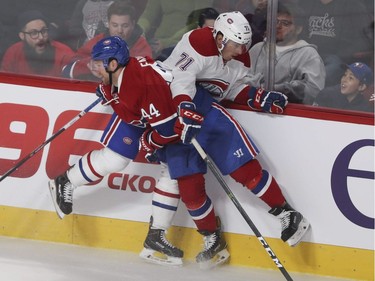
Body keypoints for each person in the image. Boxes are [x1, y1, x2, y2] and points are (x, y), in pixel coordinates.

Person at [89, 15, 309, 268]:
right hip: (173, 115)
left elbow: (226, 89)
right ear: (219, 38)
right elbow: (180, 78)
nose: (240, 50)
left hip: (204, 113)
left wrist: (255, 97)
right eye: (236, 44)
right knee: (189, 187)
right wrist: (181, 109)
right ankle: (212, 238)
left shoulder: (239, 57)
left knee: (243, 169)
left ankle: (287, 214)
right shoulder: (198, 42)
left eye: (243, 45)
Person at [247, 2, 326, 104]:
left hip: (291, 115)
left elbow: (313, 91)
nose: (278, 26)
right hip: (253, 109)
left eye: (285, 23)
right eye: (275, 21)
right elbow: (242, 80)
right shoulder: (257, 49)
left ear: (298, 29)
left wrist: (281, 90)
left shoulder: (308, 54)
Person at [62, 1, 152, 81]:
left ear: (132, 24)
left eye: (125, 26)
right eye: (115, 25)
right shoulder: (99, 40)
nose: (119, 31)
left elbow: (144, 78)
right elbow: (67, 69)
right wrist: (92, 64)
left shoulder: (141, 45)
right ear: (108, 24)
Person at [300, 0, 373, 87]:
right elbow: (299, 33)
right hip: (310, 56)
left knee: (322, 75)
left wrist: (343, 55)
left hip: (339, 59)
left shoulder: (353, 6)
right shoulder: (306, 4)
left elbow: (365, 39)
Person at [1, 10, 75, 77]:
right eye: (34, 33)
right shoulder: (13, 52)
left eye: (43, 31)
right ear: (22, 36)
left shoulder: (65, 54)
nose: (41, 37)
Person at [137, 0, 216, 57]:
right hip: (158, 41)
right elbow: (148, 16)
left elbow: (199, 21)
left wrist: (167, 43)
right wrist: (140, 31)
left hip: (184, 41)